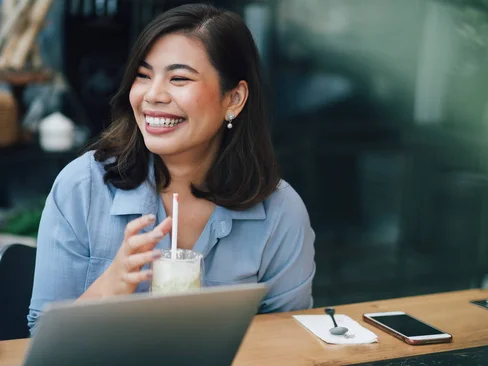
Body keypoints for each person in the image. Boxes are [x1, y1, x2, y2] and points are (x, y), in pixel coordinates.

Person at [27, 3, 316, 333]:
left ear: (234, 98)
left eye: (179, 78)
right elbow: (39, 337)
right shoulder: (81, 187)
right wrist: (112, 286)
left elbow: (291, 341)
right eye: (143, 76)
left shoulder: (280, 212)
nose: (153, 95)